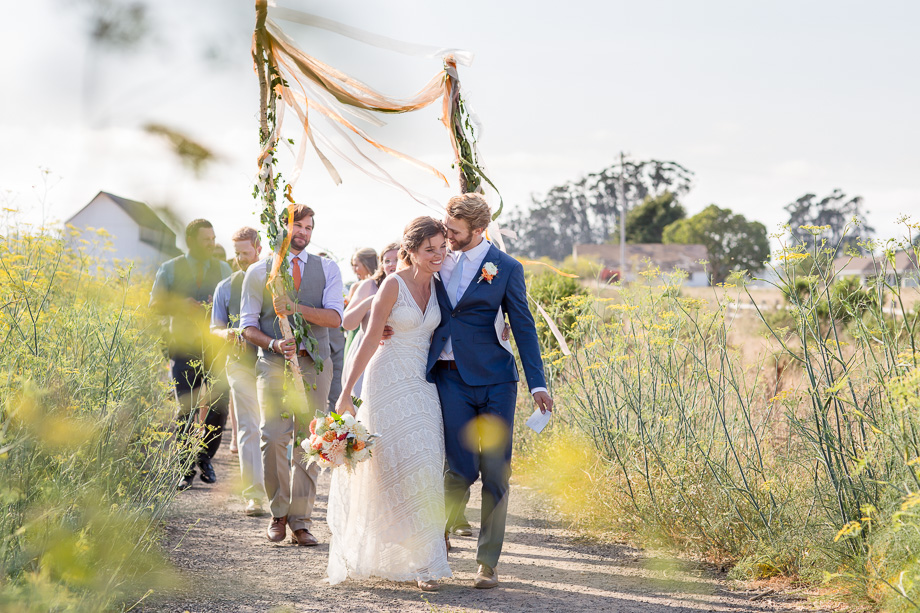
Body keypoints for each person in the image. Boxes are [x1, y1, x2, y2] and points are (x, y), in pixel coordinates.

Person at [427, 193, 553, 589]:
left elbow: (524, 326)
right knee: (460, 469)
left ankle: (487, 562)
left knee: (496, 471)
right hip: (449, 378)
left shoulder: (507, 268)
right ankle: (436, 540)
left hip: (497, 380)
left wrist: (538, 383)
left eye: (455, 231)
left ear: (479, 230)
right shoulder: (437, 261)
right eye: (446, 227)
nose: (447, 236)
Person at [331, 217, 451, 592]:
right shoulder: (392, 285)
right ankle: (404, 555)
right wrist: (346, 392)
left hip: (423, 383)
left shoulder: (442, 284)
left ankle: (426, 561)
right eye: (429, 250)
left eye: (442, 247)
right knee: (389, 467)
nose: (438, 255)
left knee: (427, 462)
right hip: (386, 380)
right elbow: (369, 339)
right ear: (410, 251)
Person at [240, 204, 344, 547]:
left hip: (315, 364)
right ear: (280, 228)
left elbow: (335, 318)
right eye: (297, 225)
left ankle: (301, 521)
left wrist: (295, 308)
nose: (303, 232)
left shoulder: (327, 268)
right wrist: (273, 343)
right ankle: (278, 513)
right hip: (273, 364)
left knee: (310, 442)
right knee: (272, 436)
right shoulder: (258, 272)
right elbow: (247, 326)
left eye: (308, 227)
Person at [150, 218, 233, 491]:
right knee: (186, 408)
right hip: (182, 348)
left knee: (220, 405)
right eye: (206, 239)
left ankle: (205, 457)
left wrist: (217, 307)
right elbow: (154, 304)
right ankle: (184, 469)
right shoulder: (170, 268)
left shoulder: (223, 269)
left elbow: (234, 303)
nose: (211, 243)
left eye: (213, 238)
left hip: (215, 349)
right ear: (191, 241)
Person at [210, 226, 266, 516]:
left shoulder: (275, 281)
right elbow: (215, 327)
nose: (241, 258)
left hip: (273, 363)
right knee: (248, 426)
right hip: (239, 363)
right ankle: (253, 495)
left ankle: (278, 491)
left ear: (259, 248)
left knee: (274, 428)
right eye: (237, 253)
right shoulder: (225, 287)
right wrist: (227, 334)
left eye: (246, 252)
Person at [340, 242, 399, 398]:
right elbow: (347, 323)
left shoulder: (413, 287)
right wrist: (370, 301)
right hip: (365, 356)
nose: (391, 264)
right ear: (381, 264)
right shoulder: (370, 285)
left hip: (397, 358)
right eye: (387, 261)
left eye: (397, 259)